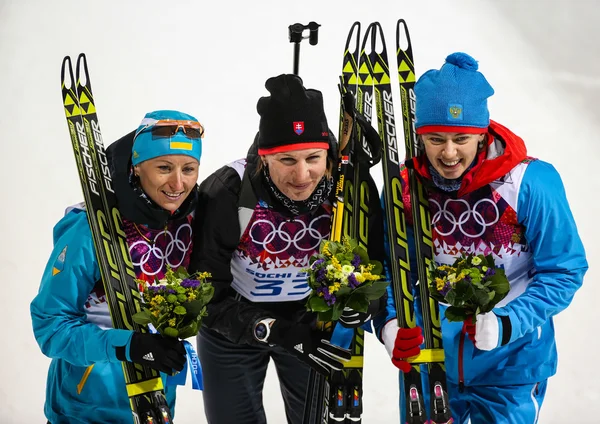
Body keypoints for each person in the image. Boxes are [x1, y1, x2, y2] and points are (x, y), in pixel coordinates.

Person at [375, 53, 588, 423]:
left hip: (512, 366)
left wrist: (508, 322)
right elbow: (388, 266)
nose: (449, 152)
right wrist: (389, 322)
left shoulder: (528, 183)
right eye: (435, 139)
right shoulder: (405, 188)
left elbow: (564, 271)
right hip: (429, 363)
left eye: (462, 138)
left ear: (481, 132)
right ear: (419, 136)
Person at [190, 74, 385, 424]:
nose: (302, 175)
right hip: (231, 325)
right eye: (287, 160)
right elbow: (206, 292)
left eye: (313, 158)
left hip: (310, 323)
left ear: (328, 154)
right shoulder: (228, 192)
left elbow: (378, 263)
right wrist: (271, 328)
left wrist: (365, 302)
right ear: (264, 159)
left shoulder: (351, 191)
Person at [31, 110, 204, 423]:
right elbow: (51, 327)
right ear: (137, 167)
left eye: (189, 168)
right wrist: (128, 344)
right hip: (84, 408)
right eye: (164, 167)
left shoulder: (188, 225)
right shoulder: (88, 231)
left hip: (154, 404)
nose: (178, 183)